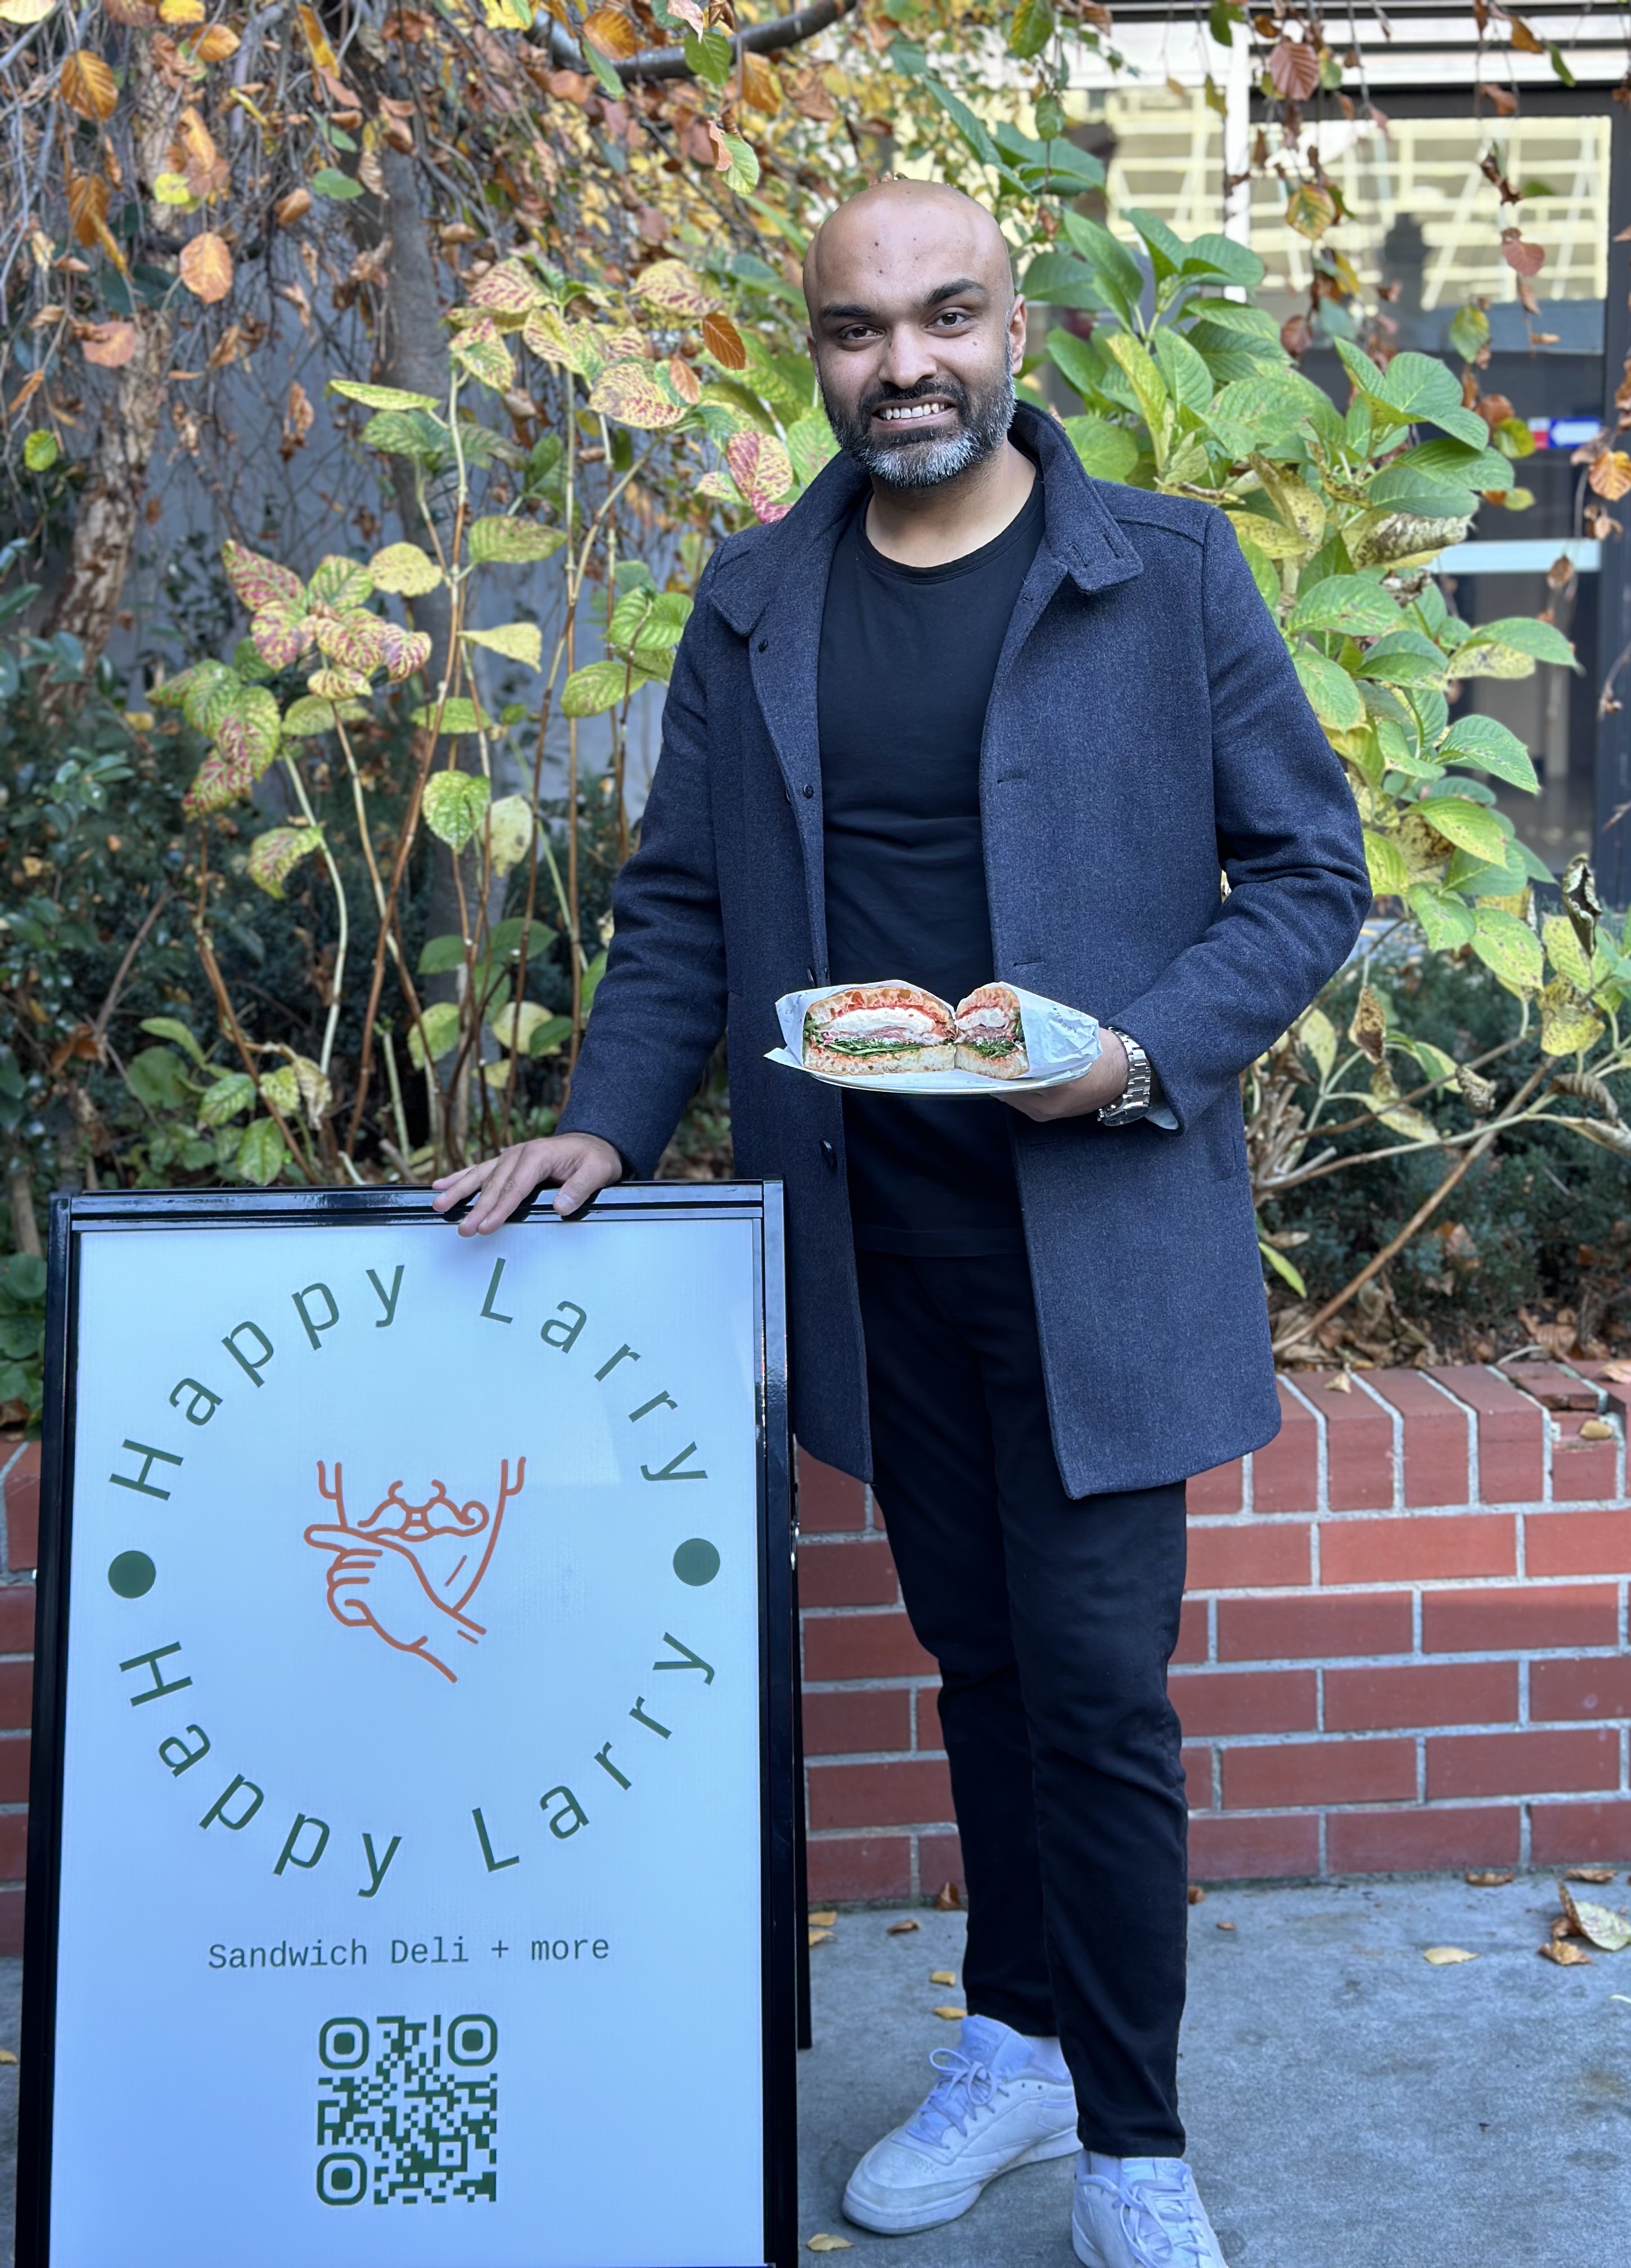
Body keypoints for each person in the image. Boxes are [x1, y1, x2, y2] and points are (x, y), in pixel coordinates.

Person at [432, 178, 1371, 2268]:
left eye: (947, 316)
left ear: (1017, 329)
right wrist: (603, 1130)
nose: (907, 363)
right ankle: (1019, 2043)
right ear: (820, 357)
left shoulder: (1163, 572)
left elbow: (1313, 875)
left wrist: (1135, 1055)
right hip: (873, 1244)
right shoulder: (758, 599)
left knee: (1099, 1692)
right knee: (980, 1662)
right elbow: (684, 904)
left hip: (1103, 1233)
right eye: (860, 331)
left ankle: (1134, 2144)